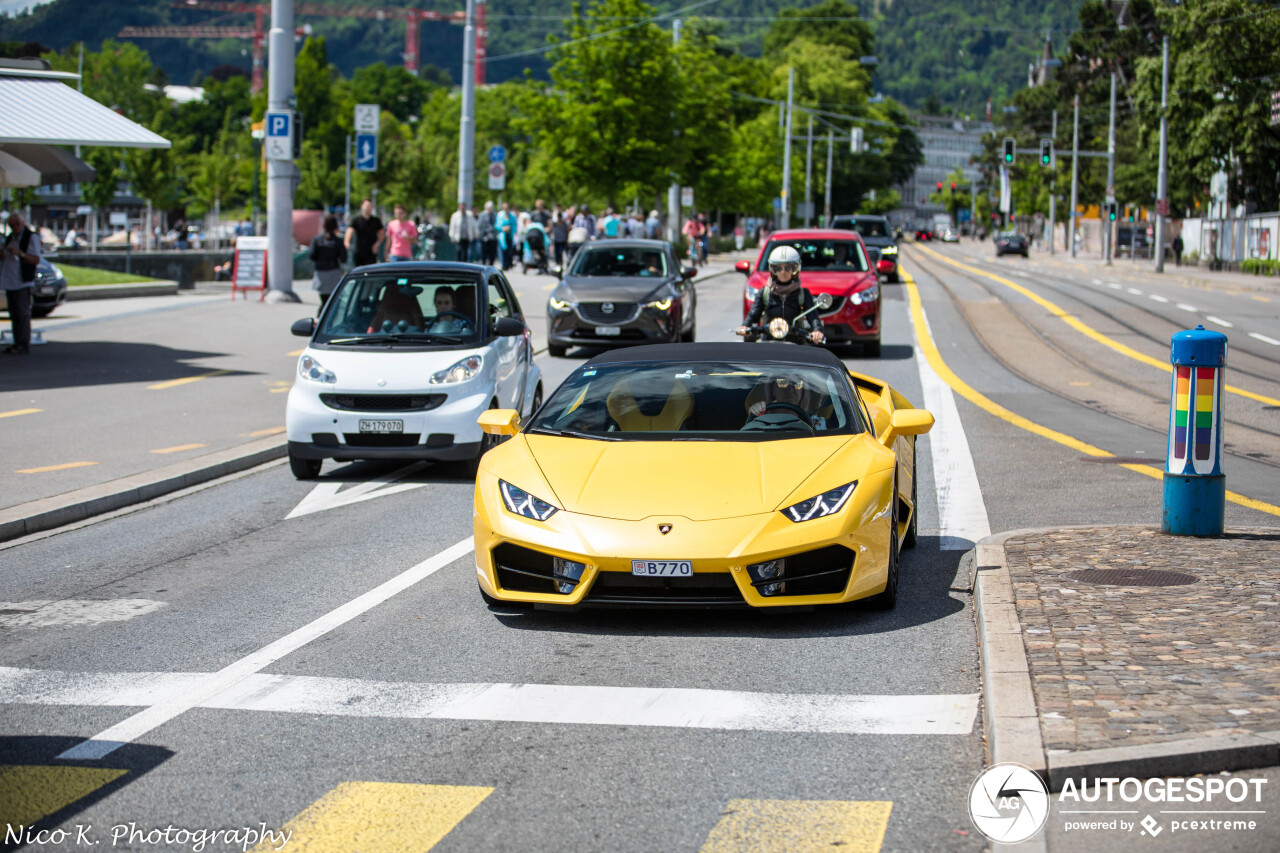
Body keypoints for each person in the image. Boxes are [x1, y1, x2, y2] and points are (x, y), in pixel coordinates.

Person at [736, 245, 825, 344]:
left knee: (809, 356)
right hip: (769, 341)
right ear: (773, 270)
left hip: (795, 342)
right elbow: (753, 313)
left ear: (795, 269)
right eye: (778, 268)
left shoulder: (802, 294)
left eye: (788, 268)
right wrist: (745, 326)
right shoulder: (765, 293)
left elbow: (813, 316)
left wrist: (817, 331)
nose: (783, 272)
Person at [2, 212, 42, 354]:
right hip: (10, 280)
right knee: (14, 314)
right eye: (12, 225)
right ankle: (17, 342)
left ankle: (23, 343)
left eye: (17, 224)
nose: (15, 227)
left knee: (22, 313)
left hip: (23, 281)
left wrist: (20, 254)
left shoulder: (31, 237)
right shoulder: (10, 238)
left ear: (22, 223)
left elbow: (36, 259)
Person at [309, 214, 348, 310]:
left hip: (320, 272)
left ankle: (320, 319)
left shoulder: (317, 239)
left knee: (323, 300)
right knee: (331, 301)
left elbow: (311, 255)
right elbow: (344, 258)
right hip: (333, 272)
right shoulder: (338, 241)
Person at [345, 199, 384, 267]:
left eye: (370, 206)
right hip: (359, 251)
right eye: (366, 205)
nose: (368, 207)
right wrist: (347, 242)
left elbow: (382, 233)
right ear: (362, 206)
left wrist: (377, 244)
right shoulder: (356, 220)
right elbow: (350, 230)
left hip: (371, 252)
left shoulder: (376, 220)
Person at [496, 202, 517, 270]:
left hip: (509, 235)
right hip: (502, 236)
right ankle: (504, 264)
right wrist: (503, 229)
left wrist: (511, 230)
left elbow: (514, 225)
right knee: (503, 250)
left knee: (509, 251)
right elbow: (496, 226)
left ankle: (508, 264)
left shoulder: (512, 216)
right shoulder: (500, 215)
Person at [478, 201, 499, 265]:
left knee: (492, 254)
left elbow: (497, 225)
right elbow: (479, 225)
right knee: (484, 253)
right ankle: (484, 264)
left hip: (493, 237)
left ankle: (491, 265)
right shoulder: (482, 215)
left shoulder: (495, 215)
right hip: (484, 238)